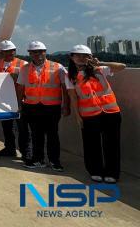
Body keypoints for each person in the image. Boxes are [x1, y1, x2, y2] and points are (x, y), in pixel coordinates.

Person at [67, 45, 126, 183]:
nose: (81, 58)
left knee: (112, 144)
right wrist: (77, 116)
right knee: (91, 144)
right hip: (89, 114)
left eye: (85, 55)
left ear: (90, 57)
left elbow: (122, 66)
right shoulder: (70, 76)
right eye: (78, 55)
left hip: (111, 112)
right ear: (72, 57)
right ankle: (95, 170)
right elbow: (73, 97)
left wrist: (101, 63)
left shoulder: (100, 70)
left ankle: (112, 173)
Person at [17, 41, 71, 171]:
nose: (37, 55)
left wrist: (66, 105)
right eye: (34, 52)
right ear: (30, 54)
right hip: (32, 106)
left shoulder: (58, 67)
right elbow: (20, 88)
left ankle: (54, 161)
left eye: (40, 52)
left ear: (45, 52)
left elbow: (65, 88)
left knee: (53, 134)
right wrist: (19, 104)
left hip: (52, 107)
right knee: (36, 135)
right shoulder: (25, 69)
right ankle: (38, 159)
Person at [0, 40, 30, 160]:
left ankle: (26, 152)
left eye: (12, 51)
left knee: (23, 128)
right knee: (7, 127)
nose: (10, 53)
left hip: (20, 100)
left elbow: (30, 81)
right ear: (2, 52)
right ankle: (10, 148)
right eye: (6, 51)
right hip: (4, 101)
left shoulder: (24, 64)